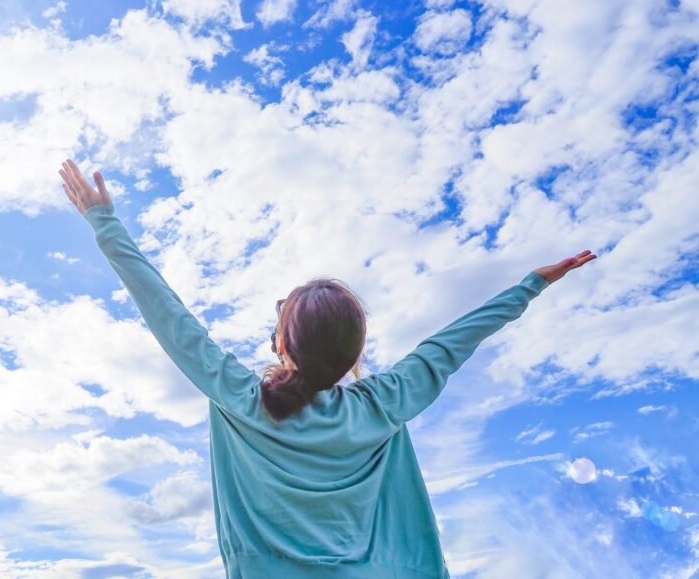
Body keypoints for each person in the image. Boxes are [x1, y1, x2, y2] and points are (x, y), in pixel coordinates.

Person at [58, 158, 597, 578]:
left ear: (282, 348)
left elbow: (167, 313)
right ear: (353, 354)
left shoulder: (240, 397)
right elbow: (456, 339)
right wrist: (533, 284)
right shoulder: (384, 403)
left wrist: (104, 223)